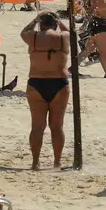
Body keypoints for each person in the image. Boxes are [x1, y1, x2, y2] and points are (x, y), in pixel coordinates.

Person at [22, 12, 69, 170]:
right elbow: (71, 34)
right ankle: (57, 161)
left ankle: (35, 162)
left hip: (36, 82)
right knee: (57, 127)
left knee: (37, 127)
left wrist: (35, 19)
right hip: (59, 84)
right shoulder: (63, 38)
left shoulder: (33, 37)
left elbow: (23, 32)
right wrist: (60, 22)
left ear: (40, 24)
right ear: (55, 24)